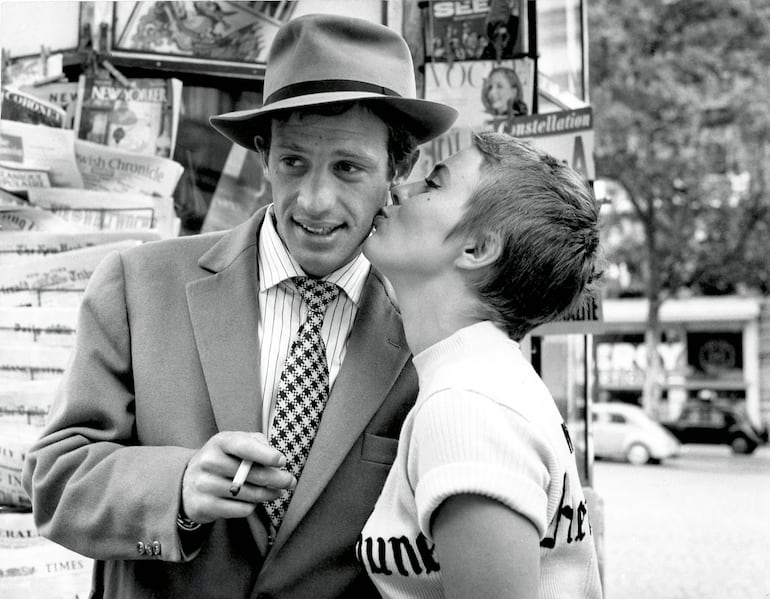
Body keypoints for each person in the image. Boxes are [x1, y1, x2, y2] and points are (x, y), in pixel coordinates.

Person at [22, 14, 457, 599]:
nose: (314, 200)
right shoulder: (137, 285)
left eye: (349, 168)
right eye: (293, 163)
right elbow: (54, 481)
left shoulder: (433, 333)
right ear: (262, 154)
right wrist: (177, 487)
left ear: (398, 172)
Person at [358, 131, 604, 598]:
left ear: (476, 249)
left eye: (432, 184)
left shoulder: (467, 405)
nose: (401, 189)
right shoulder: (481, 379)